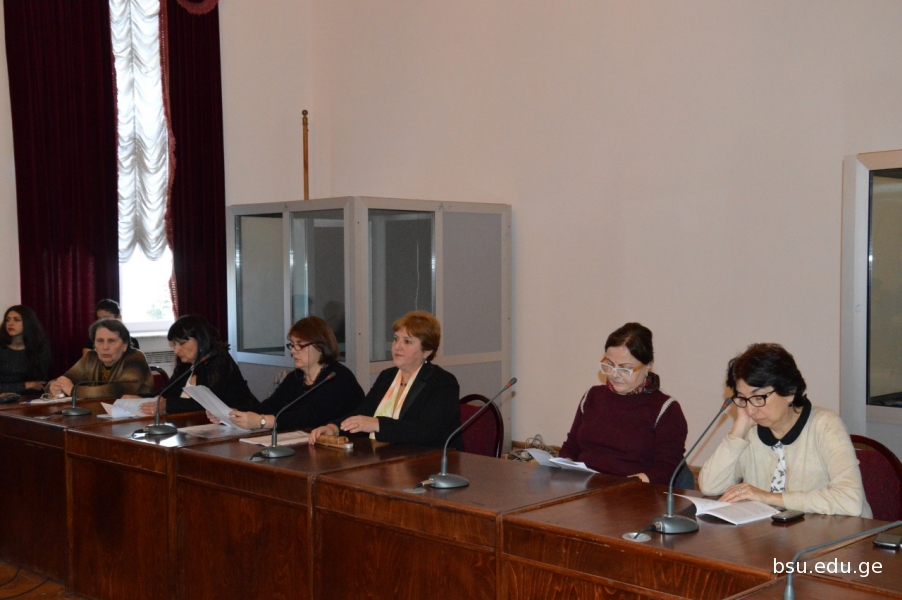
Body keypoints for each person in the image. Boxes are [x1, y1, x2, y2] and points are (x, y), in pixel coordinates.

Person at [699, 343, 871, 517]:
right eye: (743, 398)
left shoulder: (825, 425)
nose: (750, 410)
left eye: (758, 397)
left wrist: (769, 497)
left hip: (835, 531)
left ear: (789, 392)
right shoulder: (750, 431)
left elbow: (850, 501)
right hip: (773, 532)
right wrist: (738, 431)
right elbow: (710, 486)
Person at [559, 322, 688, 486]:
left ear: (648, 366)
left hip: (630, 493)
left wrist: (619, 487)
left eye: (625, 369)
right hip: (583, 488)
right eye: (609, 365)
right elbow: (571, 446)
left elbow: (665, 471)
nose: (614, 375)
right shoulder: (593, 396)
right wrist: (565, 464)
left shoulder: (666, 409)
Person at [309, 310, 460, 449]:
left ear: (427, 351)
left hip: (430, 460)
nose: (397, 347)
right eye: (395, 339)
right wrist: (334, 428)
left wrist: (378, 424)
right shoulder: (387, 376)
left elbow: (427, 431)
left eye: (407, 341)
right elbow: (363, 413)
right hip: (387, 456)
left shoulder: (443, 382)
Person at [218, 316, 364, 431]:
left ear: (320, 347)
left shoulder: (338, 377)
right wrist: (233, 414)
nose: (293, 351)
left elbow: (309, 417)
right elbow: (269, 406)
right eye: (292, 345)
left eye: (300, 345)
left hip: (348, 447)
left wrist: (262, 421)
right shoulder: (296, 377)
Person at [141, 315, 257, 415]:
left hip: (242, 423)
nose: (176, 350)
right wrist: (138, 398)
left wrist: (167, 405)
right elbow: (165, 394)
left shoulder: (220, 359)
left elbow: (208, 403)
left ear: (200, 339)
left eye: (181, 343)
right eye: (174, 344)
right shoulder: (186, 364)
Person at [47, 318, 153, 399]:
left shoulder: (135, 357)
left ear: (125, 345)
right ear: (94, 344)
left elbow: (120, 390)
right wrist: (55, 387)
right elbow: (64, 379)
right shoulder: (91, 358)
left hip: (132, 416)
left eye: (111, 341)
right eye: (100, 341)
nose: (105, 347)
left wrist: (74, 391)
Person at [0, 305, 51, 395]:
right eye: (7, 320)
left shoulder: (38, 348)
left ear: (28, 322)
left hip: (29, 397)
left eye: (16, 320)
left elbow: (40, 384)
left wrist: (30, 386)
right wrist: (27, 385)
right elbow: (33, 384)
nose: (10, 323)